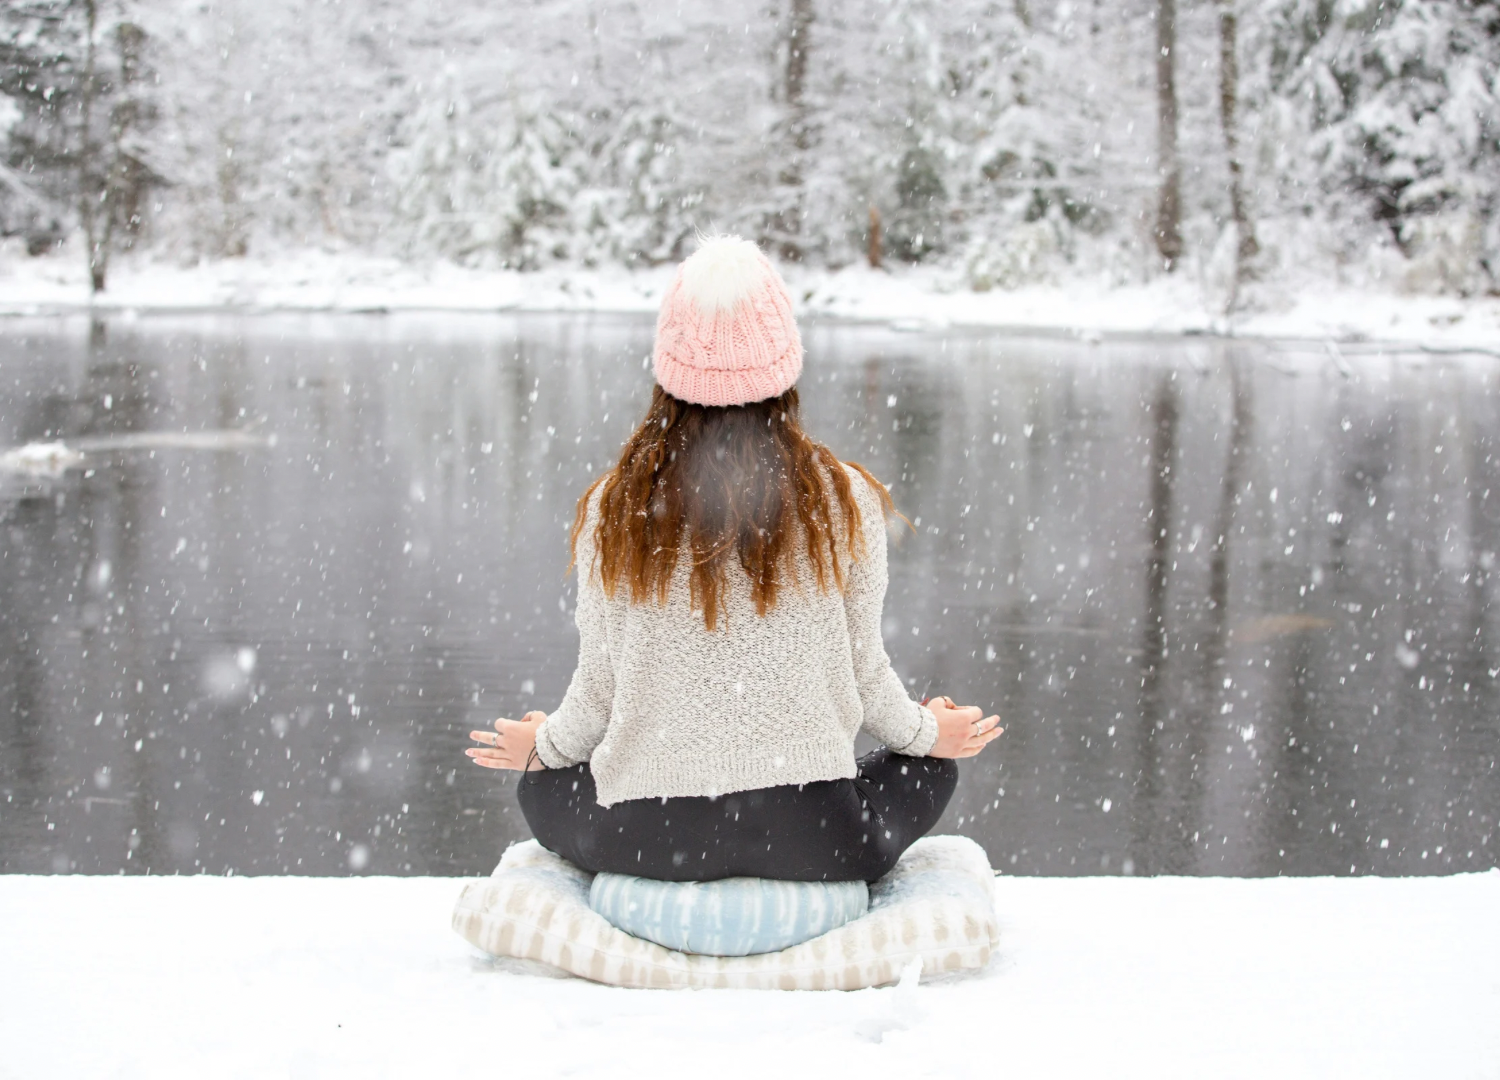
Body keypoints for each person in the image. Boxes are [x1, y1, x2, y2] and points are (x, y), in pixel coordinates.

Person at [465, 235, 1001, 883]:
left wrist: (543, 749)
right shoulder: (846, 498)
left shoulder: (614, 506)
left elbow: (598, 692)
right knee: (928, 766)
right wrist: (927, 735)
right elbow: (864, 673)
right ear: (784, 369)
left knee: (540, 787)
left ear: (669, 370)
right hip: (818, 843)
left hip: (645, 841)